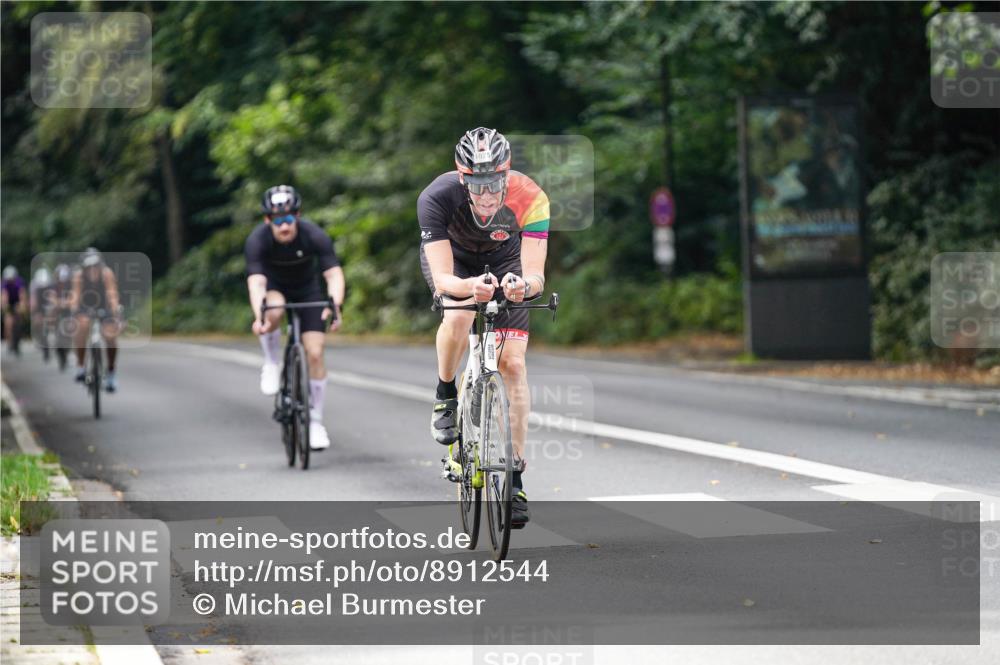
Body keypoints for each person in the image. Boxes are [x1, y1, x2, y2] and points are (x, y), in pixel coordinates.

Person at [417, 127, 550, 526]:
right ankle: (445, 393)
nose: (488, 195)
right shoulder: (436, 198)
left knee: (513, 365)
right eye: (477, 186)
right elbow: (444, 279)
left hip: (506, 259)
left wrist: (522, 287)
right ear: (463, 179)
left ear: (507, 175)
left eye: (495, 184)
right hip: (455, 262)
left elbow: (536, 277)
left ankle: (515, 479)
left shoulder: (531, 197)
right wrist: (469, 287)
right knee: (458, 314)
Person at [245, 185, 345, 451]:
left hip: (307, 290)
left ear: (297, 216)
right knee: (273, 310)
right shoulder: (258, 240)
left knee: (315, 353)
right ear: (267, 220)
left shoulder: (314, 234)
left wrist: (335, 305)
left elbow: (333, 274)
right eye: (277, 220)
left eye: (289, 218)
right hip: (275, 288)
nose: (284, 226)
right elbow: (256, 283)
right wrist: (259, 316)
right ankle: (271, 362)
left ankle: (315, 422)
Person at [69, 248, 122, 392]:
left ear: (100, 265)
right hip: (85, 306)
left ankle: (111, 373)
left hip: (104, 306)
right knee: (82, 327)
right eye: (89, 267)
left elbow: (112, 294)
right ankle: (81, 366)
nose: (92, 270)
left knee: (110, 337)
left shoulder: (107, 274)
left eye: (95, 266)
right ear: (84, 268)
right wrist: (73, 310)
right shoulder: (79, 276)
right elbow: (75, 295)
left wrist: (115, 310)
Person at [1, 266, 27, 355]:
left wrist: (22, 306)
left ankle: (17, 342)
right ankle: (9, 342)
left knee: (18, 321)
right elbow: (4, 296)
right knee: (8, 323)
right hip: (9, 303)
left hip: (17, 302)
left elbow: (22, 295)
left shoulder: (19, 282)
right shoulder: (4, 283)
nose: (10, 281)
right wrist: (5, 306)